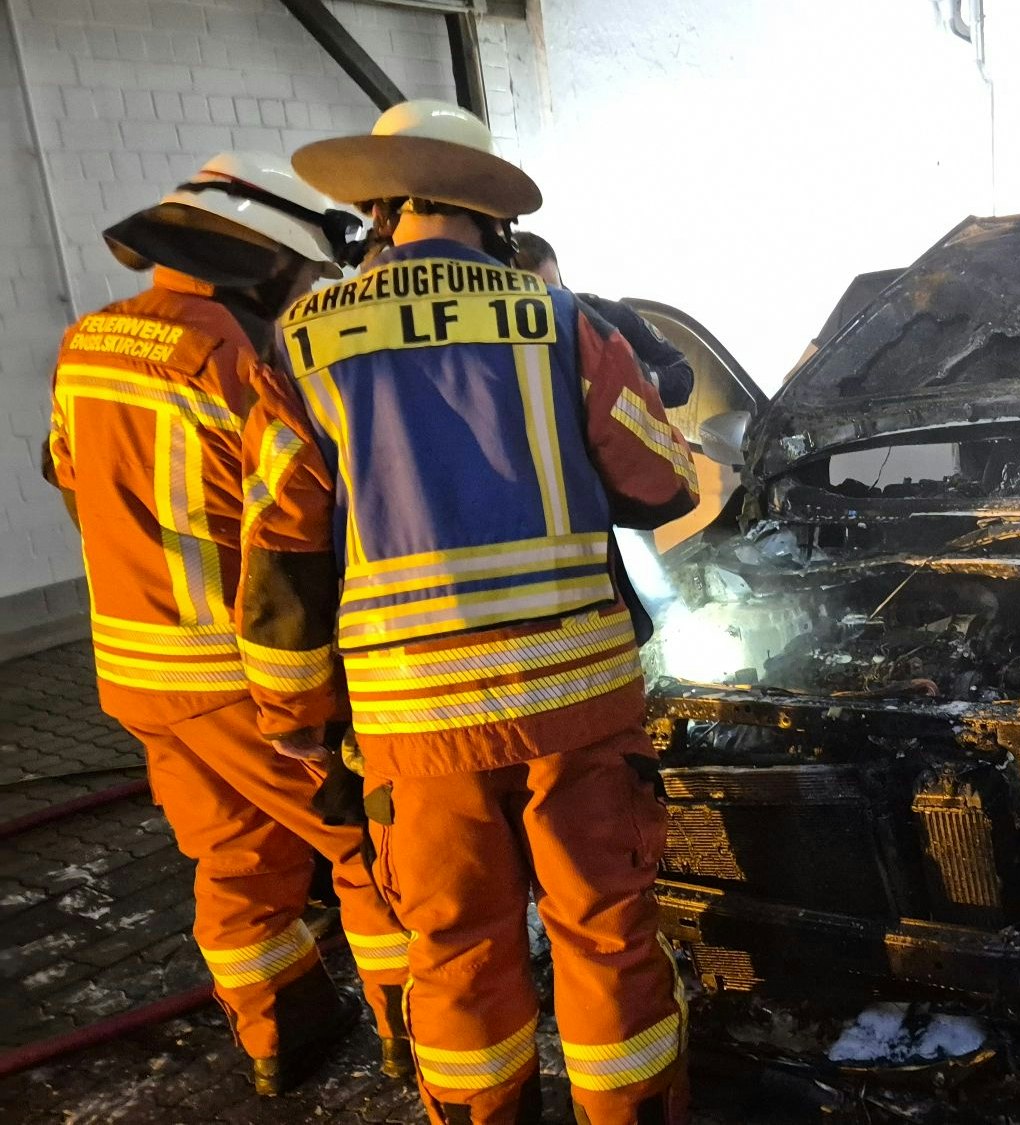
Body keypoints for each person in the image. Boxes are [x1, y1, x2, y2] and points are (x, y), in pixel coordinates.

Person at [237, 100, 700, 1125]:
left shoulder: (301, 344)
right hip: (575, 702)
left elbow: (281, 553)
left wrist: (301, 726)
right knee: (604, 930)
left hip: (411, 723)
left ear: (379, 211)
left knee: (453, 950)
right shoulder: (563, 322)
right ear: (491, 215)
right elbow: (664, 486)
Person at [41, 152, 413, 1096]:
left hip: (133, 673)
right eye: (304, 274)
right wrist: (316, 707)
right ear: (264, 261)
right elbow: (293, 542)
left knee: (238, 855)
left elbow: (69, 478)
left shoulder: (88, 340)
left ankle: (279, 1042)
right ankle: (418, 1037)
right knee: (367, 851)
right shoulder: (239, 358)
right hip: (238, 681)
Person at [512, 231, 695, 407]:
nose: (543, 311)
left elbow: (682, 376)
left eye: (553, 296)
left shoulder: (610, 317)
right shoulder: (499, 346)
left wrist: (632, 380)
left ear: (562, 283)